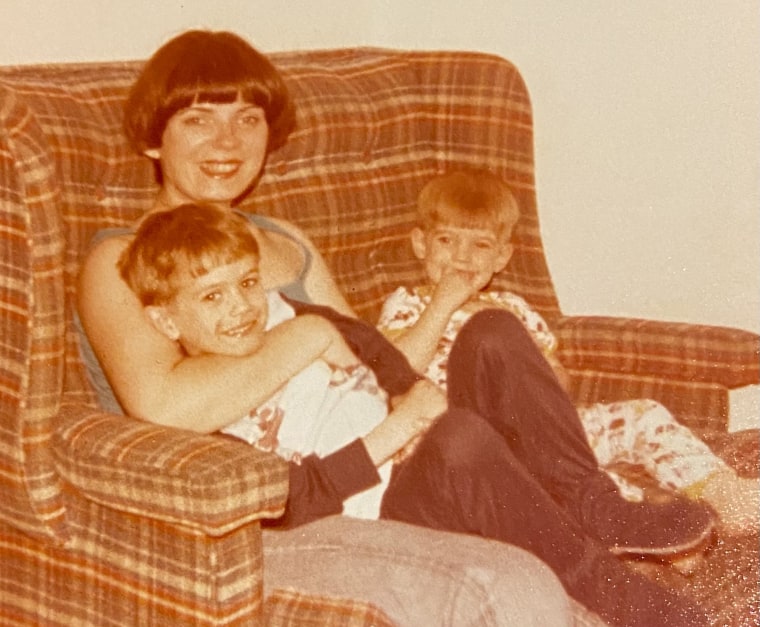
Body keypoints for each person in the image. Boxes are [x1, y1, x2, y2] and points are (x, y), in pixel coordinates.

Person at [75, 29, 574, 626]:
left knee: (551, 543)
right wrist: (308, 336)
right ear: (153, 139)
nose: (228, 142)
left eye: (248, 119)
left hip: (373, 478)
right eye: (198, 120)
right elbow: (167, 407)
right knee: (514, 584)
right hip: (258, 517)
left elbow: (369, 373)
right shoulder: (120, 258)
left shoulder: (288, 243)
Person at [116, 202, 710, 627]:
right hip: (387, 507)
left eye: (246, 283)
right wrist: (395, 431)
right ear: (168, 322)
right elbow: (290, 502)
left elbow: (372, 349)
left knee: (492, 330)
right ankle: (606, 587)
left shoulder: (285, 316)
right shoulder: (205, 419)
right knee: (459, 437)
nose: (241, 306)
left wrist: (407, 390)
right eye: (211, 297)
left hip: (433, 453)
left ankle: (594, 504)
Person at [377, 169, 759, 536]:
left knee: (645, 416)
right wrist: (442, 307)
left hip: (534, 436)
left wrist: (533, 370)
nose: (462, 257)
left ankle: (724, 493)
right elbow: (396, 371)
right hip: (455, 448)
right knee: (581, 488)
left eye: (480, 245)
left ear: (501, 258)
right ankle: (652, 526)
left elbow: (557, 383)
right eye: (447, 240)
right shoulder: (407, 305)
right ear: (420, 245)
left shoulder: (513, 308)